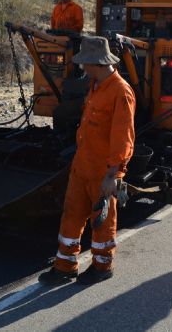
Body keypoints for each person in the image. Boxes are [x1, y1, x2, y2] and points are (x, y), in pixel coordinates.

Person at [38, 36, 135, 286]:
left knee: (101, 222)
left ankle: (102, 266)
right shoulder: (94, 85)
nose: (82, 68)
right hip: (82, 167)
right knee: (71, 215)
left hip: (102, 172)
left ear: (98, 63)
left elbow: (123, 137)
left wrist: (113, 174)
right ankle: (65, 266)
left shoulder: (120, 91)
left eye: (86, 64)